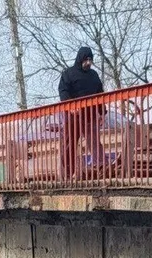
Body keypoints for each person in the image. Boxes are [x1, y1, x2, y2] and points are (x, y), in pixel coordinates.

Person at [58, 46, 106, 179]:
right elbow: (63, 91)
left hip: (90, 115)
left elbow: (100, 94)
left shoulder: (94, 75)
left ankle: (101, 169)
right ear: (80, 59)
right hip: (73, 117)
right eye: (86, 60)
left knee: (95, 142)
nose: (88, 63)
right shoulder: (68, 74)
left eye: (90, 60)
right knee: (70, 145)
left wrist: (102, 113)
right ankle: (67, 174)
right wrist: (70, 105)